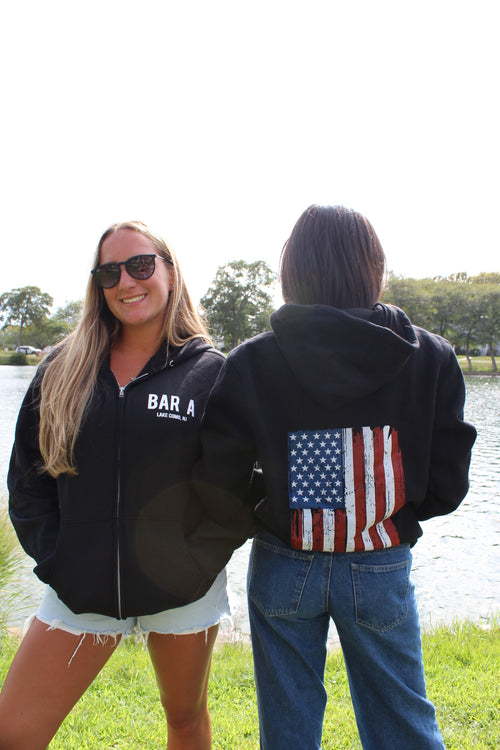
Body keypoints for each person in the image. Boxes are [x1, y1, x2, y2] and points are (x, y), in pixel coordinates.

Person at [193, 205, 477, 749]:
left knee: (288, 729)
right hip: (381, 559)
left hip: (283, 562)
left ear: (292, 271)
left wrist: (269, 510)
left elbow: (217, 478)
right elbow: (449, 479)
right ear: (375, 266)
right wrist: (392, 513)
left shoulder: (252, 362)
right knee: (403, 721)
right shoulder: (431, 357)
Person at [1, 221, 231, 750]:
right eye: (110, 272)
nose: (126, 281)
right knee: (12, 733)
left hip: (183, 588)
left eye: (141, 265)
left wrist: (198, 559)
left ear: (169, 271)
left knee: (185, 720)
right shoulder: (62, 368)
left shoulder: (210, 373)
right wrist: (60, 559)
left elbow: (237, 486)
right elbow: (28, 478)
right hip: (80, 586)